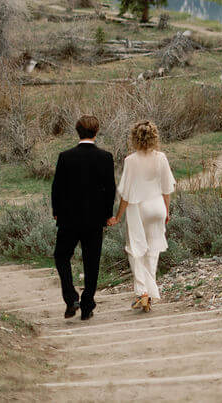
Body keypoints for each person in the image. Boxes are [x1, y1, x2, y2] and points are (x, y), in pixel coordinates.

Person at [52, 115, 116, 321]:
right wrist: (108, 214)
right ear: (96, 132)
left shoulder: (65, 156)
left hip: (68, 219)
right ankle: (87, 304)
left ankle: (71, 298)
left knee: (61, 256)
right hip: (95, 220)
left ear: (77, 131)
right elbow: (110, 190)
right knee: (92, 261)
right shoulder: (105, 157)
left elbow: (57, 188)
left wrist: (56, 211)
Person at [108, 120, 175, 313]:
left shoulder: (131, 160)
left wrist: (118, 216)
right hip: (158, 207)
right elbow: (166, 189)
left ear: (134, 138)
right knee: (152, 251)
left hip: (139, 208)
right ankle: (149, 293)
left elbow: (126, 194)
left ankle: (143, 292)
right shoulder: (161, 158)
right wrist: (167, 211)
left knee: (135, 249)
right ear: (154, 137)